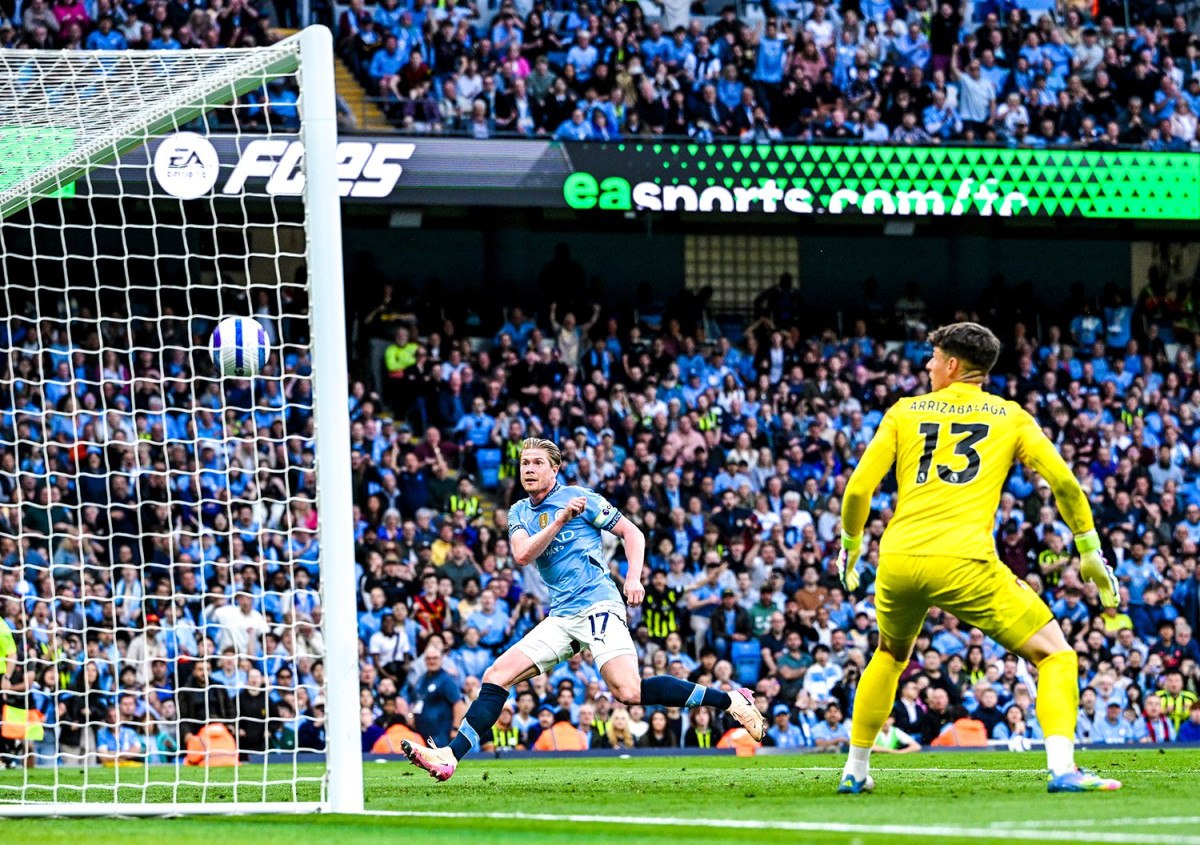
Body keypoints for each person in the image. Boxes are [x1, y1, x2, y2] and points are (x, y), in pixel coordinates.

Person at [835, 322, 1122, 795]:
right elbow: (1066, 484)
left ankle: (856, 771)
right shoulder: (1010, 416)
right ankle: (1063, 769)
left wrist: (851, 545)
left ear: (952, 365)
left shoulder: (904, 411)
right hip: (964, 560)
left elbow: (858, 489)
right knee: (1056, 655)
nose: (928, 366)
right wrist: (1088, 548)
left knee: (888, 655)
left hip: (899, 558)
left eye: (933, 358)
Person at [400, 438, 763, 781]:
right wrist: (559, 520)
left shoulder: (581, 498)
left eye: (537, 463)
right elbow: (522, 555)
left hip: (598, 603)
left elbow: (633, 534)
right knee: (497, 674)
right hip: (561, 615)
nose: (529, 469)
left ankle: (731, 700)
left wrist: (633, 578)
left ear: (554, 469)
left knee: (628, 692)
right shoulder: (519, 511)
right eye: (524, 463)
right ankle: (450, 756)